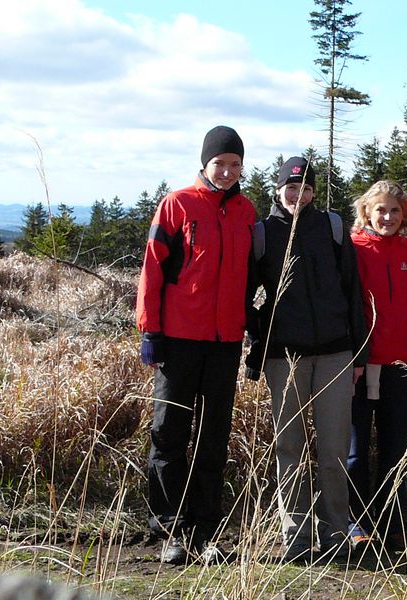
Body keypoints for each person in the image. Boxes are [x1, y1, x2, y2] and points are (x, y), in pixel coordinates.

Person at [136, 125, 256, 564]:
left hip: (225, 342)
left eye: (234, 164)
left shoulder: (246, 211)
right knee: (169, 434)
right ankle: (169, 528)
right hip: (178, 340)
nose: (226, 171)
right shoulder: (177, 204)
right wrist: (150, 330)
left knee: (213, 437)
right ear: (204, 164)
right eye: (219, 163)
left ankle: (205, 531)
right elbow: (152, 269)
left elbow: (252, 276)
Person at [245, 156, 368, 562]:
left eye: (307, 189)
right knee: (290, 450)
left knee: (333, 450)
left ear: (315, 192)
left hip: (335, 354)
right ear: (278, 190)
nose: (299, 195)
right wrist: (262, 330)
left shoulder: (331, 227)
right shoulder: (263, 234)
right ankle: (296, 540)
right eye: (292, 188)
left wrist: (358, 354)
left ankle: (335, 534)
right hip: (285, 357)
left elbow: (352, 292)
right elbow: (244, 296)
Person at [347, 180, 407, 551]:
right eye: (380, 210)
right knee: (356, 449)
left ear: (403, 215)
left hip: (398, 367)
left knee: (395, 449)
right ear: (366, 213)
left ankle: (392, 523)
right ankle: (356, 523)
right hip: (360, 367)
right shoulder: (354, 248)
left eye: (394, 210)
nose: (387, 217)